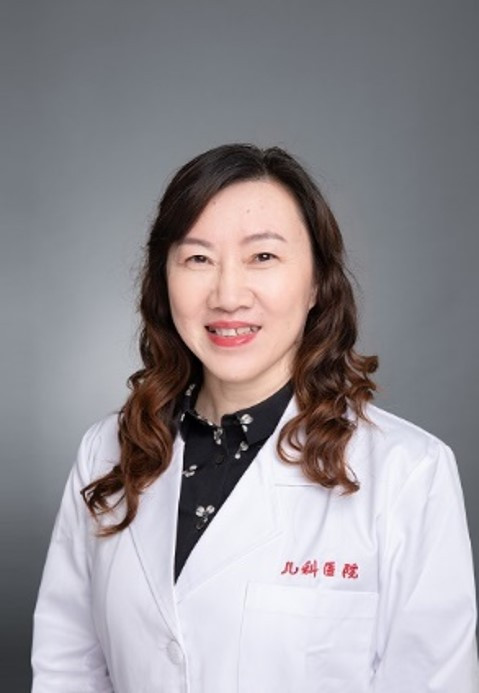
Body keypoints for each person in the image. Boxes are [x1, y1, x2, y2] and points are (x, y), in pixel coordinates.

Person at [32, 144, 479, 693]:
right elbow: (67, 670)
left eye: (262, 257)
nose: (227, 296)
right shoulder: (106, 452)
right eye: (198, 259)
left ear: (316, 283)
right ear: (163, 280)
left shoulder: (409, 473)